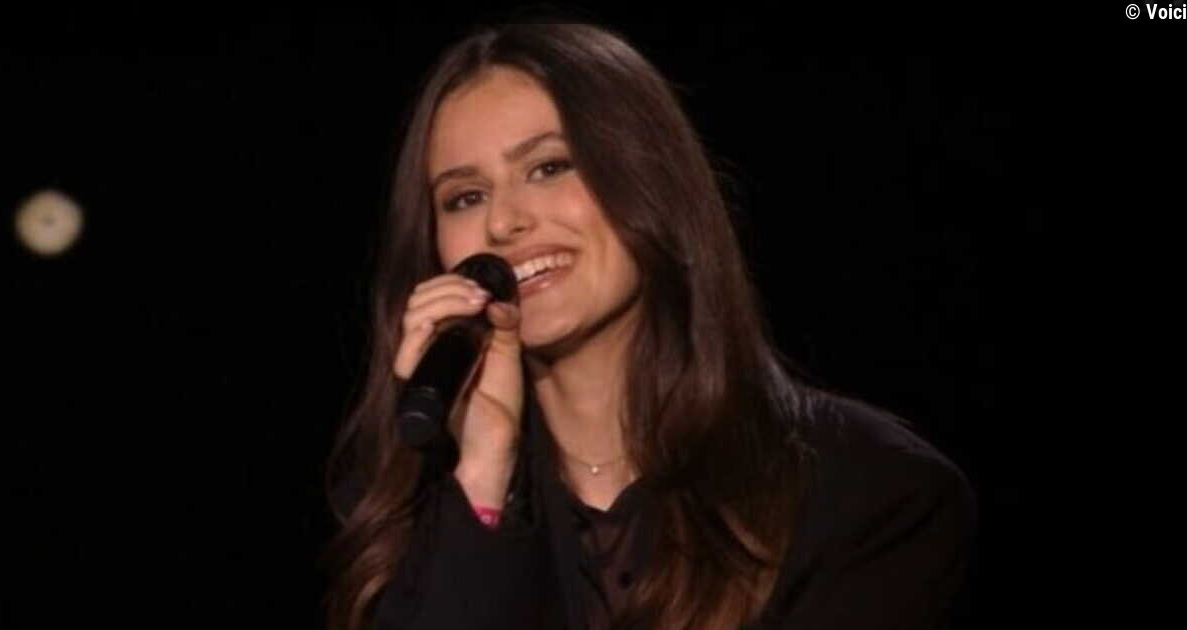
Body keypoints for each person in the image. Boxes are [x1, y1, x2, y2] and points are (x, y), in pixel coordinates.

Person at [324, 22, 976, 630]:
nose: (503, 222)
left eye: (549, 167)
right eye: (465, 197)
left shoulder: (872, 492)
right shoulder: (406, 516)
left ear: (647, 176)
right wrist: (483, 478)